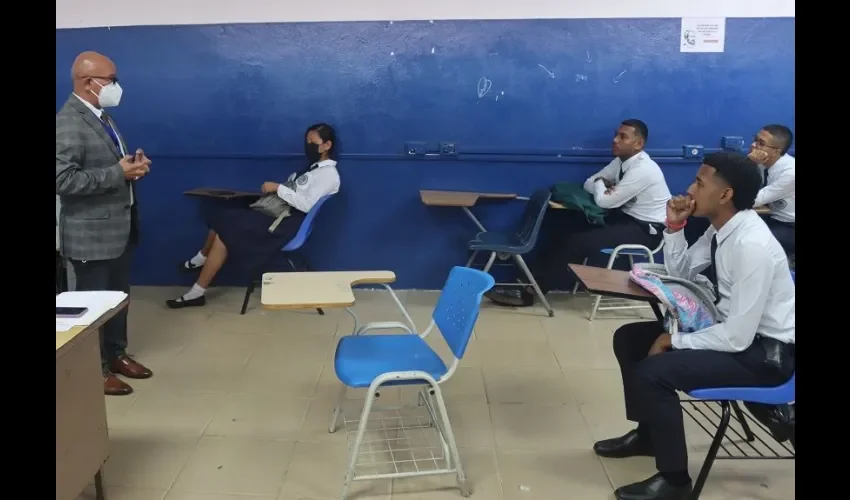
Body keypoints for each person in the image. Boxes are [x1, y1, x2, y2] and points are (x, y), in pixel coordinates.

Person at [595, 151, 795, 500]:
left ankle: (674, 481)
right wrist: (675, 228)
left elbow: (737, 337)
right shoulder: (722, 229)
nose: (689, 189)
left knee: (654, 372)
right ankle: (649, 435)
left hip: (764, 356)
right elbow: (682, 274)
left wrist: (674, 341)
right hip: (740, 337)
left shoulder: (751, 245)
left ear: (725, 194)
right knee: (629, 339)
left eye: (700, 183)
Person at [486, 119, 672, 307]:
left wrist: (600, 183)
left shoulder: (643, 169)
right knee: (562, 225)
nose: (615, 140)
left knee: (578, 241)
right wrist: (601, 184)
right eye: (616, 134)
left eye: (623, 137)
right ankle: (525, 281)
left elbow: (604, 201)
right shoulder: (620, 162)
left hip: (646, 230)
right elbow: (588, 183)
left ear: (638, 144)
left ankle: (530, 292)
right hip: (624, 219)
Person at [56, 51, 154, 396]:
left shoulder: (103, 118)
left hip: (118, 230)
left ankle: (116, 354)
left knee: (117, 299)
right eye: (111, 80)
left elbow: (111, 167)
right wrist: (117, 173)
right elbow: (63, 180)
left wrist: (133, 168)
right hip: (90, 235)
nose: (116, 86)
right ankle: (93, 371)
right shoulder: (68, 122)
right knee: (90, 307)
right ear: (88, 82)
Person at [167, 123, 341, 308]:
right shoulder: (313, 169)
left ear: (327, 145)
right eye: (307, 141)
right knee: (224, 215)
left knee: (224, 231)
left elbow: (306, 205)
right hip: (280, 215)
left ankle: (197, 288)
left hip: (287, 224)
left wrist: (278, 188)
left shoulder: (328, 175)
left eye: (313, 142)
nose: (308, 146)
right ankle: (200, 265)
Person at [748, 124, 795, 257]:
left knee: (751, 241)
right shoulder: (763, 164)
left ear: (776, 151)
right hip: (771, 217)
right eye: (755, 139)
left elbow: (753, 200)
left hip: (789, 226)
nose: (753, 145)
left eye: (761, 143)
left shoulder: (790, 173)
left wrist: (749, 164)